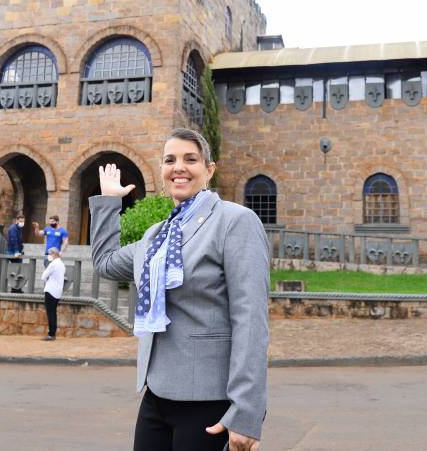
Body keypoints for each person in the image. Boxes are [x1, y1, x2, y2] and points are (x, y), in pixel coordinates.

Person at [90, 127, 270, 451]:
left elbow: (251, 319)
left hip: (209, 399)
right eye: (170, 160)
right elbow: (105, 262)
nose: (179, 168)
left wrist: (246, 412)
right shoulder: (157, 236)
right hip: (156, 394)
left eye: (190, 159)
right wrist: (109, 202)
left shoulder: (234, 222)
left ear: (209, 170)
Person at [39, 246, 65, 341]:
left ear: (53, 254)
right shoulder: (62, 264)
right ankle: (52, 333)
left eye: (50, 254)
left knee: (50, 312)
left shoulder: (53, 264)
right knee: (53, 312)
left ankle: (51, 334)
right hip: (58, 291)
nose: (49, 256)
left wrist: (48, 278)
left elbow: (43, 276)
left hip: (50, 290)